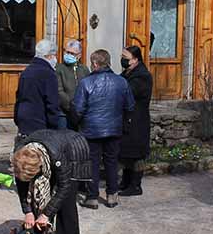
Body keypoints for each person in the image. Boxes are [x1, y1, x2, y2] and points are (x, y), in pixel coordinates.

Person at [12, 129, 86, 234]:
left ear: (39, 168)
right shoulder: (20, 157)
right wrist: (27, 211)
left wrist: (46, 215)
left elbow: (64, 187)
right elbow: (23, 189)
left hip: (72, 154)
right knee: (35, 195)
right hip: (49, 151)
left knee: (66, 204)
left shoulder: (56, 156)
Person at [73, 49, 135, 209]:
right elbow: (130, 105)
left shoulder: (86, 82)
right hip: (114, 128)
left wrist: (77, 123)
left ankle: (92, 197)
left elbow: (78, 108)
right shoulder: (121, 82)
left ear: (94, 64)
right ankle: (112, 195)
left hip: (92, 129)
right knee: (111, 161)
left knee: (92, 162)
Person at [119, 45, 153, 196]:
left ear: (135, 59)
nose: (123, 61)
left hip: (137, 120)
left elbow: (128, 92)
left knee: (136, 154)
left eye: (126, 58)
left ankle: (135, 185)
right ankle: (126, 182)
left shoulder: (142, 76)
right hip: (127, 119)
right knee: (126, 153)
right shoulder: (127, 73)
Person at [14, 40, 60, 137]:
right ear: (49, 56)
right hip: (40, 122)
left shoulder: (26, 71)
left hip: (24, 119)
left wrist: (17, 117)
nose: (56, 59)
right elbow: (52, 103)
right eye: (55, 55)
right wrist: (54, 124)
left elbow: (19, 97)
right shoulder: (48, 74)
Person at [55, 39, 90, 130]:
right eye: (67, 52)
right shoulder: (58, 68)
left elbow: (89, 88)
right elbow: (59, 91)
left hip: (81, 113)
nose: (69, 55)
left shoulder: (84, 69)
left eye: (72, 53)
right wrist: (72, 107)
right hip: (64, 114)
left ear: (79, 55)